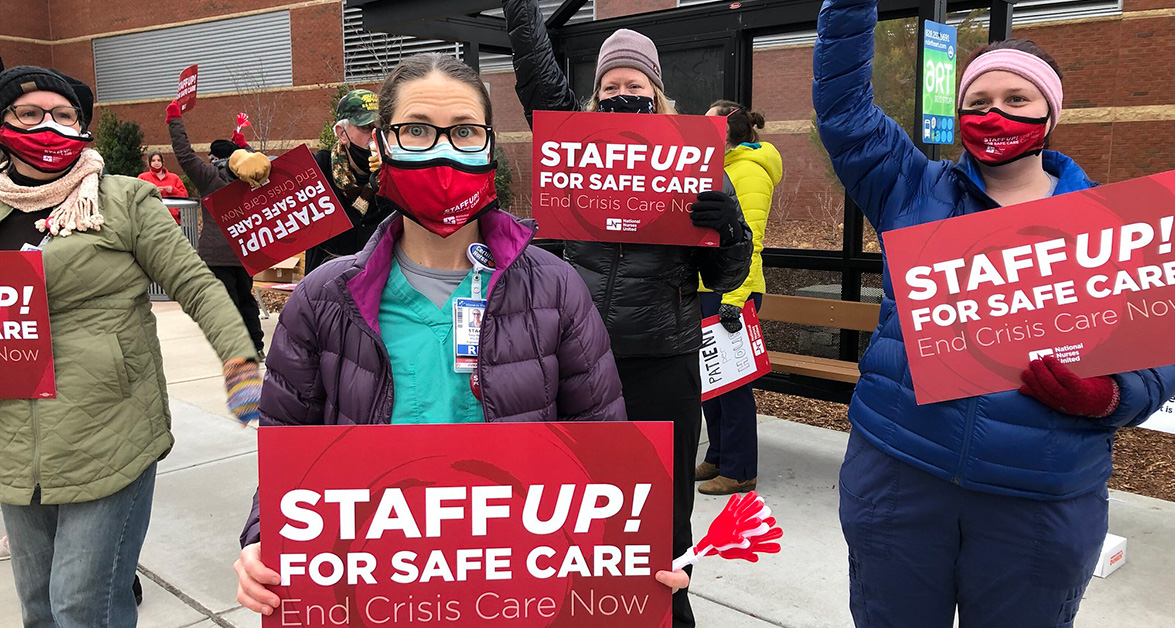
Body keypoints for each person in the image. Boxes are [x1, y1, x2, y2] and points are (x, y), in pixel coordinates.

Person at [231, 53, 687, 616]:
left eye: (465, 132)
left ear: (490, 148)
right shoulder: (323, 299)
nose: (443, 150)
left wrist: (634, 552)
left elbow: (603, 444)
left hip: (521, 592)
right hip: (371, 593)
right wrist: (259, 540)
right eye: (417, 130)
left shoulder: (556, 288)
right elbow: (285, 450)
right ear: (382, 144)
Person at [813, 2, 1175, 626]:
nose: (995, 114)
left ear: (1051, 114)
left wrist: (1111, 394)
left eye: (1018, 99)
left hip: (1040, 501)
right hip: (899, 478)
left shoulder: (1114, 224)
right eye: (979, 99)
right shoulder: (912, 189)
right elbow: (844, 112)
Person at [502, 5, 753, 626]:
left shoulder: (694, 158)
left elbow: (723, 276)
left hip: (661, 363)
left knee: (663, 514)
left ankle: (670, 614)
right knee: (574, 506)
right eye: (610, 86)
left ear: (656, 92)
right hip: (575, 357)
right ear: (594, 95)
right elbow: (538, 83)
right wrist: (520, 12)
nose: (621, 94)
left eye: (634, 86)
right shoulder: (573, 152)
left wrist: (728, 232)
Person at [0, 65, 262, 628]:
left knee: (82, 607)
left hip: (109, 431)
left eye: (63, 114)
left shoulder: (123, 201)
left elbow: (195, 284)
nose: (48, 124)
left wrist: (239, 361)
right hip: (15, 442)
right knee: (39, 608)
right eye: (30, 113)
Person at [695, 101, 782, 496]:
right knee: (710, 382)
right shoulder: (720, 167)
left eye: (709, 124)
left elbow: (752, 239)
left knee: (731, 383)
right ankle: (717, 455)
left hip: (733, 291)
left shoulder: (750, 171)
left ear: (727, 132)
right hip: (705, 288)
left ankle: (740, 468)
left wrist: (735, 295)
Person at [166, 101, 267, 358]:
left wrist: (174, 120)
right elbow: (252, 160)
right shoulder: (251, 177)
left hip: (217, 254)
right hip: (247, 249)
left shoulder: (210, 177)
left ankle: (237, 350)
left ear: (213, 157)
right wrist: (241, 144)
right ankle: (256, 344)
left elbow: (185, 154)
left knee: (227, 302)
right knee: (246, 299)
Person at [303, 89, 389, 272]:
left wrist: (393, 177)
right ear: (342, 134)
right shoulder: (319, 169)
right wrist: (232, 166)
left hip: (378, 287)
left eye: (380, 128)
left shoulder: (394, 176)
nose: (375, 136)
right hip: (324, 287)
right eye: (366, 128)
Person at [137, 150, 188, 223]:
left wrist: (173, 190)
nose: (156, 163)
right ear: (149, 163)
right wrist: (153, 191)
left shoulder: (174, 177)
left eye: (159, 160)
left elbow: (185, 196)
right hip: (151, 219)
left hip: (173, 219)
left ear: (162, 162)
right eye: (153, 160)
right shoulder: (142, 177)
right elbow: (138, 196)